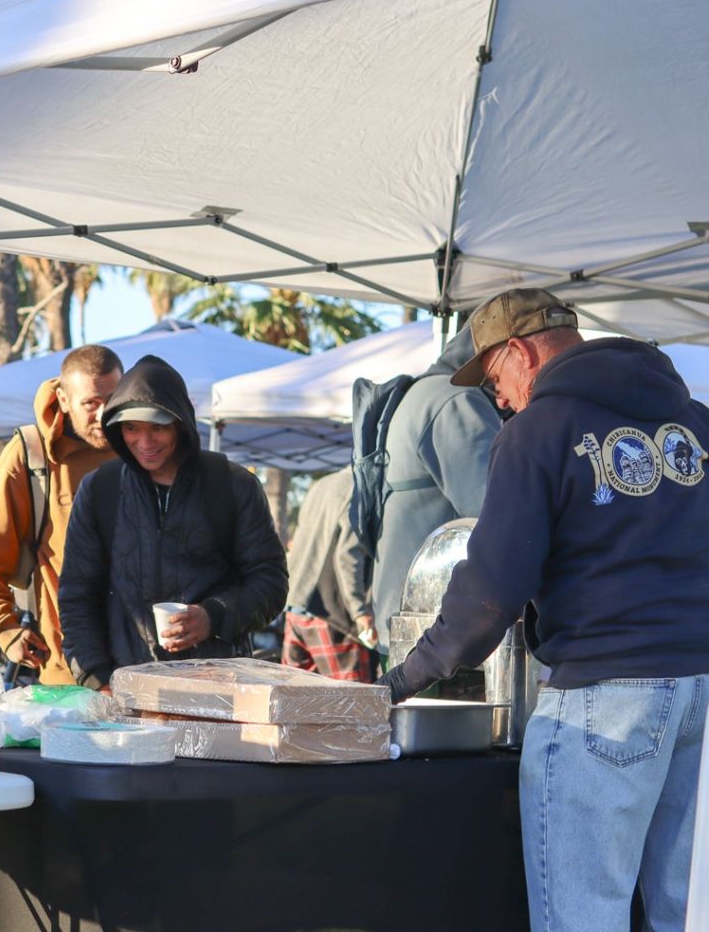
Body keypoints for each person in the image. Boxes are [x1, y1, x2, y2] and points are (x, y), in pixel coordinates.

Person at [378, 288, 709, 932]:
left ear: (520, 352)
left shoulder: (536, 432)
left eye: (494, 379)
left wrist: (405, 678)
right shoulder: (695, 423)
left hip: (604, 694)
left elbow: (492, 589)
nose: (498, 398)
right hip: (702, 685)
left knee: (582, 918)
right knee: (687, 914)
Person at [58, 354, 288, 689]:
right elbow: (77, 596)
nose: (145, 442)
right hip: (125, 690)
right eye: (132, 428)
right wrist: (97, 680)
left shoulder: (232, 484)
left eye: (158, 427)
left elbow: (271, 583)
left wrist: (213, 617)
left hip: (219, 688)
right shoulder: (99, 489)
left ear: (180, 424)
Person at [0, 344, 123, 683]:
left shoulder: (141, 445)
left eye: (113, 400)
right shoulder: (31, 456)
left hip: (140, 664)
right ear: (64, 400)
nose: (103, 414)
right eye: (91, 403)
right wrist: (5, 629)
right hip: (66, 667)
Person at [370, 325, 501, 667]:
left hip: (412, 624)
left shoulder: (423, 393)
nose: (505, 397)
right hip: (438, 633)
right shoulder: (456, 400)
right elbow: (496, 512)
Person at [282, 468, 377, 682]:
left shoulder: (321, 485)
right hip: (331, 614)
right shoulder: (359, 488)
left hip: (296, 608)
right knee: (352, 700)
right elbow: (348, 554)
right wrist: (359, 611)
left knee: (293, 699)